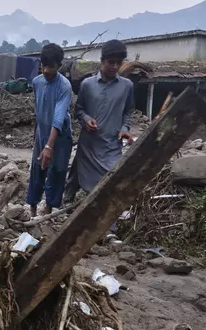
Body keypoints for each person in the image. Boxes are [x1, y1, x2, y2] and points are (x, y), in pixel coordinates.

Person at [72, 39, 135, 240]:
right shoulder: (87, 84)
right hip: (89, 146)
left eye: (118, 62)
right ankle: (89, 227)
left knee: (111, 184)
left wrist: (125, 129)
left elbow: (129, 111)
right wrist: (87, 119)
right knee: (90, 187)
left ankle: (109, 229)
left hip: (112, 147)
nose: (114, 67)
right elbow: (78, 110)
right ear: (102, 61)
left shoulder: (127, 86)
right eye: (110, 62)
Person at [26, 43, 73, 217]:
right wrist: (37, 139)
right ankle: (32, 207)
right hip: (41, 133)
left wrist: (49, 146)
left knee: (57, 170)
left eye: (50, 67)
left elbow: (58, 118)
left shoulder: (64, 86)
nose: (45, 70)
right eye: (43, 66)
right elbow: (38, 111)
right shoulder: (37, 82)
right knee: (37, 169)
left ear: (59, 66)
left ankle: (48, 210)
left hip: (60, 136)